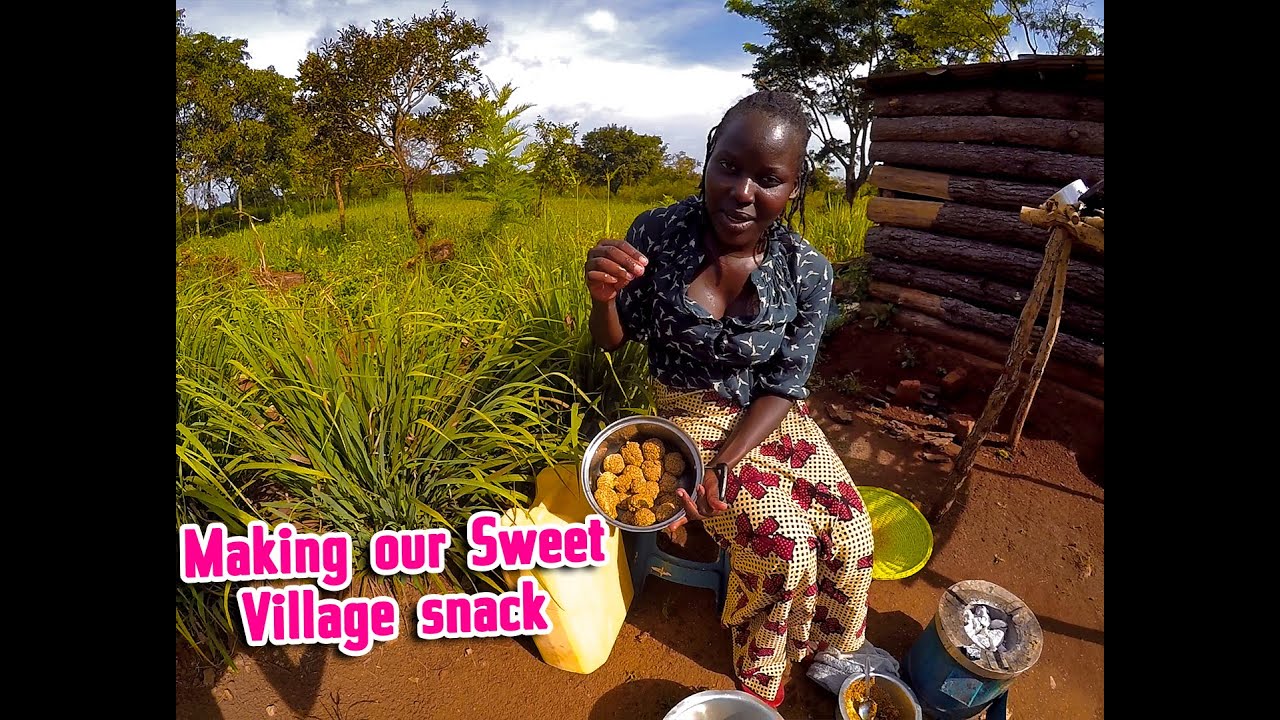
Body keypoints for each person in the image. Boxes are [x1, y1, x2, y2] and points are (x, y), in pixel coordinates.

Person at [582, 89, 875, 708]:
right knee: (786, 548)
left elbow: (785, 384)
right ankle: (760, 677)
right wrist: (603, 297)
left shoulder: (807, 270)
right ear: (708, 157)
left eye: (768, 179)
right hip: (682, 412)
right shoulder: (658, 233)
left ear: (792, 188)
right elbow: (611, 343)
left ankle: (828, 650)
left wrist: (729, 459)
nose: (743, 191)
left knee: (853, 533)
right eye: (730, 167)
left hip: (768, 416)